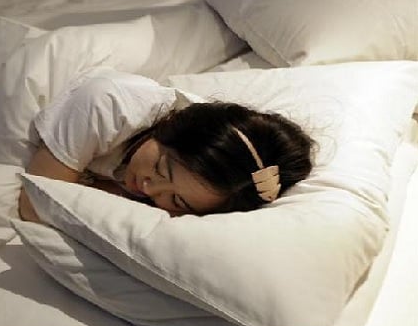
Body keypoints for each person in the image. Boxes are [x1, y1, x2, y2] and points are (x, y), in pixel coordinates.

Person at [18, 69, 314, 222]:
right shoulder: (109, 105)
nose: (147, 188)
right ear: (170, 128)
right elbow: (35, 207)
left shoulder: (217, 186)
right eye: (162, 169)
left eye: (177, 201)